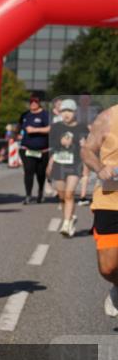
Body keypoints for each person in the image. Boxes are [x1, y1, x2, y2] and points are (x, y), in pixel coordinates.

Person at [80, 103, 118, 317]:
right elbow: (87, 150)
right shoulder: (108, 118)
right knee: (108, 268)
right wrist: (100, 168)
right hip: (111, 200)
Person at [47, 99, 88, 237]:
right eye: (64, 111)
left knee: (70, 194)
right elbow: (51, 145)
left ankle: (66, 222)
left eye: (69, 111)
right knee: (62, 196)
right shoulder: (56, 127)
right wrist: (60, 143)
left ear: (75, 112)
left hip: (75, 164)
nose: (66, 114)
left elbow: (86, 146)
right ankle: (70, 217)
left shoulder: (82, 127)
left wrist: (81, 143)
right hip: (59, 164)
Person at [19, 94, 51, 204]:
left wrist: (35, 130)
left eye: (35, 102)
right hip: (27, 149)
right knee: (28, 171)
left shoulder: (45, 115)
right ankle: (28, 195)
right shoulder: (25, 115)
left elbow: (50, 128)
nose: (33, 104)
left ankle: (40, 191)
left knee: (40, 173)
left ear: (39, 103)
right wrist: (18, 134)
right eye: (31, 101)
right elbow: (20, 127)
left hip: (43, 150)